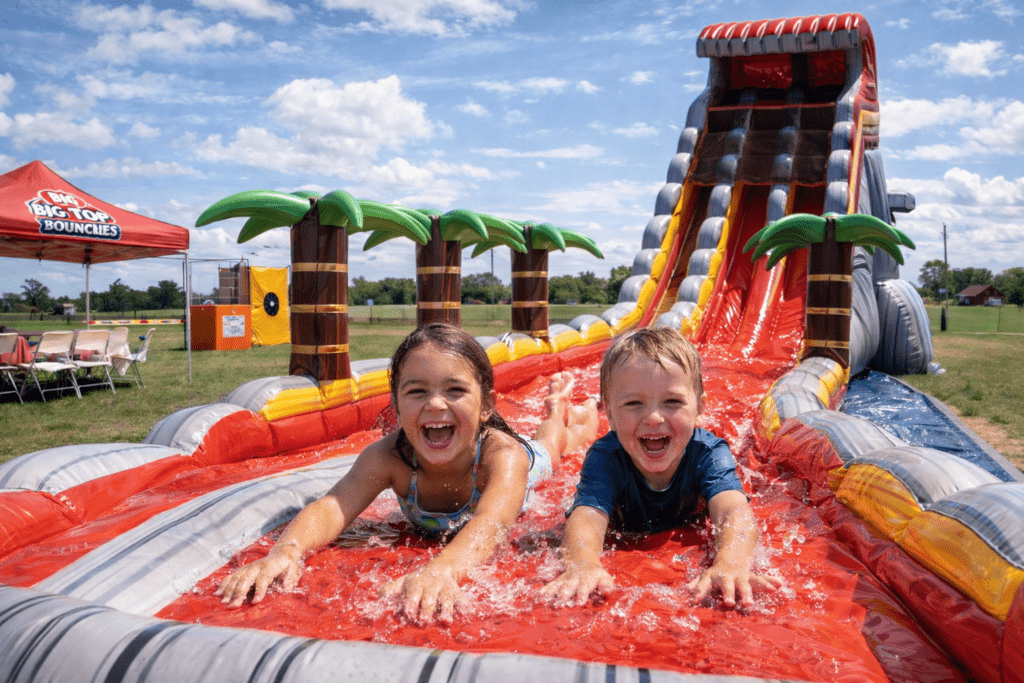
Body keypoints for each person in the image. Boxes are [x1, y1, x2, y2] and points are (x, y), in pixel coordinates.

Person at [216, 322, 599, 622]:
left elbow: (491, 524)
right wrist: (287, 552)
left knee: (552, 446)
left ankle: (561, 412)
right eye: (416, 391)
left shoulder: (504, 455)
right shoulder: (389, 457)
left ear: (486, 406)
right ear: (397, 407)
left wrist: (442, 571)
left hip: (528, 464)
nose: (435, 404)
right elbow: (333, 506)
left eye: (455, 390)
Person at [544, 326, 781, 609]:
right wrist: (582, 564)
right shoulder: (605, 458)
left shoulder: (708, 453)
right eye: (633, 403)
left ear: (699, 407)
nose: (654, 417)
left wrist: (731, 562)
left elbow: (733, 509)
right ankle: (567, 415)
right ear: (609, 413)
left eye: (672, 401)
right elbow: (586, 517)